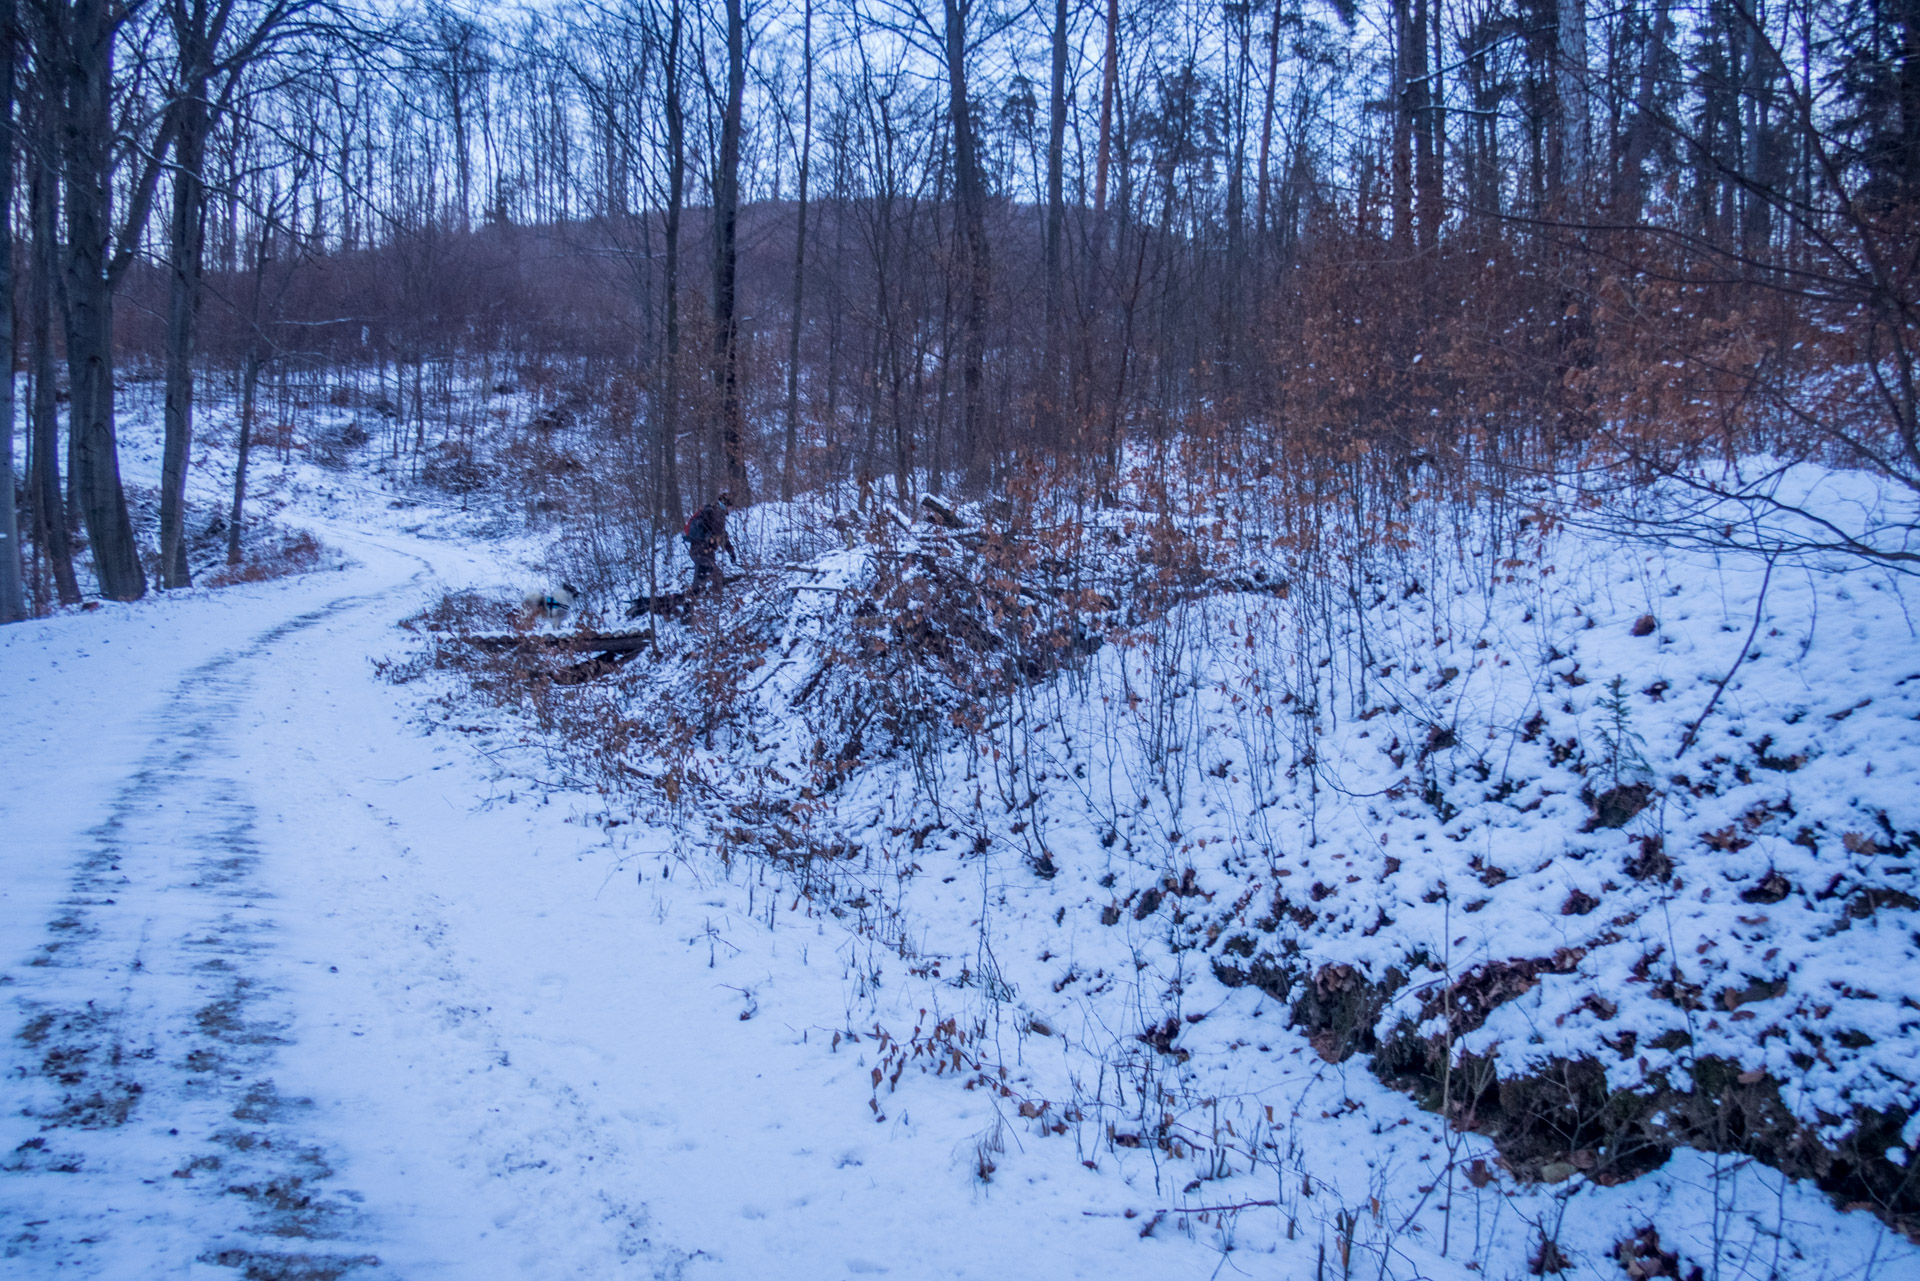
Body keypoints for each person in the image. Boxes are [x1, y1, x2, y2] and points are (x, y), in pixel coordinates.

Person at [684, 492, 739, 603]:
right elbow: (721, 534)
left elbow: (721, 534)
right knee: (708, 571)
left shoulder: (713, 510)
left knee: (709, 572)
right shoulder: (718, 513)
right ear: (727, 505)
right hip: (703, 550)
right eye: (731, 507)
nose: (732, 510)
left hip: (698, 549)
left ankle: (697, 596)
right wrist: (731, 551)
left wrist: (729, 550)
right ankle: (713, 600)